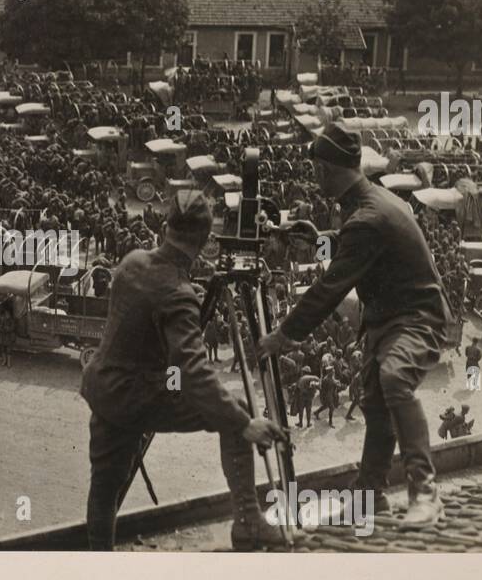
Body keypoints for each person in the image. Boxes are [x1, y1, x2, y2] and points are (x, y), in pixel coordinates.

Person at [258, 127, 451, 528]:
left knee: (395, 379)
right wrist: (319, 237)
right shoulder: (370, 199)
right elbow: (360, 244)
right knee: (377, 405)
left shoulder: (366, 216)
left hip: (415, 319)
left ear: (325, 170)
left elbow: (331, 287)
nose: (314, 178)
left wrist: (283, 334)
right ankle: (370, 497)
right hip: (390, 319)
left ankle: (426, 493)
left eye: (315, 170)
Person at [80, 190, 290, 551]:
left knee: (104, 488)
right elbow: (191, 370)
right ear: (208, 241)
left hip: (104, 388)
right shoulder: (177, 294)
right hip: (135, 396)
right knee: (236, 412)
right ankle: (248, 523)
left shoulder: (132, 261)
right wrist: (245, 425)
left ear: (166, 225)